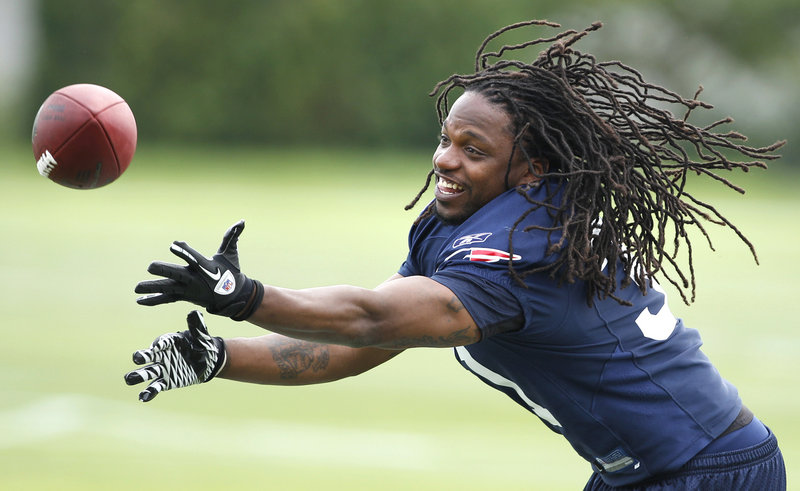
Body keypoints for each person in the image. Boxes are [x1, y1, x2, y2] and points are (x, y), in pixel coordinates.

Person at [125, 20, 787, 490]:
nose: (445, 159)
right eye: (447, 139)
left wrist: (246, 297)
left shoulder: (522, 250)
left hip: (704, 469)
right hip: (660, 467)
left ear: (531, 169)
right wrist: (217, 356)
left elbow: (369, 321)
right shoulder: (463, 222)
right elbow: (368, 336)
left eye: (475, 150)